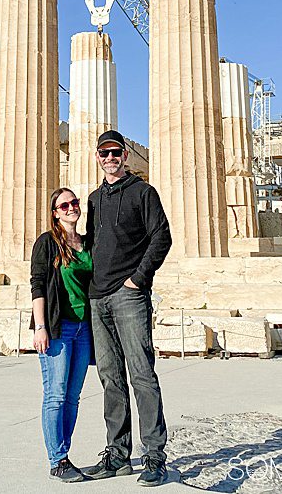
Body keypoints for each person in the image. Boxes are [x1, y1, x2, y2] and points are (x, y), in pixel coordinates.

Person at [82, 130, 173, 487]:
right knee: (110, 378)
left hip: (129, 295)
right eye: (104, 153)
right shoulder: (92, 199)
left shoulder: (142, 192)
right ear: (97, 157)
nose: (110, 158)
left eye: (115, 152)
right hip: (98, 297)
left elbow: (161, 236)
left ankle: (154, 456)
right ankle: (117, 454)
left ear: (126, 155)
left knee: (141, 375)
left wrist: (138, 279)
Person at [31, 187, 95, 483]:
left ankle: (64, 455)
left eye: (74, 203)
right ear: (55, 212)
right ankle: (56, 459)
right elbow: (38, 286)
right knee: (55, 395)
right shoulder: (47, 243)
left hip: (83, 328)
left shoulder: (86, 243)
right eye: (64, 205)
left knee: (72, 397)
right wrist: (40, 326)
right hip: (58, 327)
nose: (71, 208)